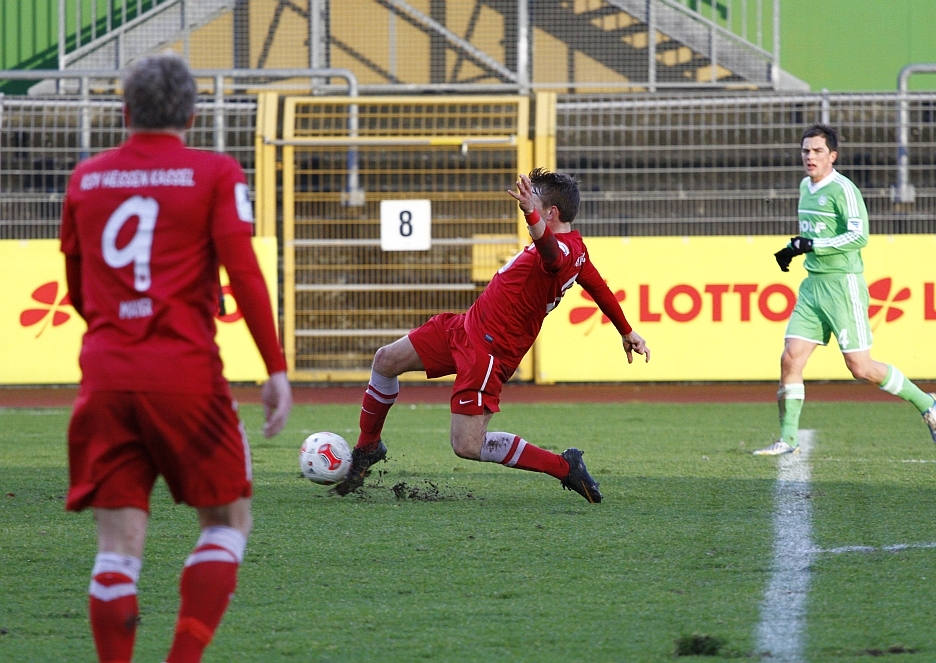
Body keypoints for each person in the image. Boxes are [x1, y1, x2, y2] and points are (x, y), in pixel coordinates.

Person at [60, 54, 292, 663]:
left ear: (124, 112)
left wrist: (119, 338)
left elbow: (80, 292)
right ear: (192, 113)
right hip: (185, 377)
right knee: (225, 522)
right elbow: (242, 272)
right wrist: (274, 369)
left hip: (105, 380)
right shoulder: (214, 172)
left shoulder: (85, 179)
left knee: (116, 549)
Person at [333, 168, 650, 502]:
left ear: (550, 213)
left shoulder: (563, 252)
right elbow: (598, 286)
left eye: (534, 200)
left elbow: (552, 255)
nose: (527, 203)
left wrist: (529, 211)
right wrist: (626, 330)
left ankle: (563, 466)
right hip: (463, 327)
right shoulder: (579, 250)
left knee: (467, 446)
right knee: (385, 360)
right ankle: (368, 447)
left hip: (488, 352)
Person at [754, 124, 936, 456]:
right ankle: (788, 438)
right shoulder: (805, 186)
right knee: (790, 359)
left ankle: (927, 402)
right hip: (813, 286)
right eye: (805, 151)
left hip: (843, 285)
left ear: (832, 156)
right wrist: (791, 248)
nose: (809, 157)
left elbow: (858, 237)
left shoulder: (843, 189)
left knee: (861, 367)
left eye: (817, 151)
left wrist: (813, 244)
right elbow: (811, 232)